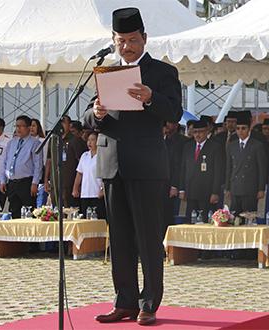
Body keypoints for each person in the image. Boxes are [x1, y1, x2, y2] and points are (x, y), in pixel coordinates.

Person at [84, 7, 182, 326]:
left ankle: (149, 302)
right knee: (121, 239)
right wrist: (96, 113)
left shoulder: (163, 73)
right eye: (121, 41)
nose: (126, 46)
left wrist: (152, 98)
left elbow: (175, 114)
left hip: (147, 167)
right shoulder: (106, 71)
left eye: (132, 40)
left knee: (147, 238)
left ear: (144, 39)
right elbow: (86, 118)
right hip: (112, 166)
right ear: (113, 41)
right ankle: (124, 301)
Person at [179, 120, 223, 223]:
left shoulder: (215, 147)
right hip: (191, 191)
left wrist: (215, 192)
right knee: (190, 220)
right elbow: (183, 169)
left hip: (207, 192)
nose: (198, 134)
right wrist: (182, 189)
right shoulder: (188, 147)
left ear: (207, 131)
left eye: (201, 131)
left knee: (205, 221)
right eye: (195, 132)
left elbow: (218, 171)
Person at [0, 115, 43, 219]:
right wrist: (3, 180)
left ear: (28, 127)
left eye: (21, 126)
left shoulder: (35, 143)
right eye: (16, 126)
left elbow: (38, 165)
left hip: (26, 182)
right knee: (14, 211)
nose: (18, 128)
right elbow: (5, 162)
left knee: (28, 211)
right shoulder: (11, 143)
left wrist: (35, 183)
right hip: (12, 182)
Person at [225, 111, 267, 216]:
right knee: (234, 218)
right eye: (238, 128)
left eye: (243, 128)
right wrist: (227, 187)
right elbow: (229, 168)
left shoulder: (257, 145)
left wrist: (261, 188)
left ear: (249, 129)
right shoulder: (232, 145)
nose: (240, 131)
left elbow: (262, 169)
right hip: (235, 187)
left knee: (249, 217)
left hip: (250, 187)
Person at [44, 115, 86, 208]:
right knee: (55, 209)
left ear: (69, 125)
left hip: (69, 183)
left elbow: (81, 163)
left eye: (63, 122)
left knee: (69, 210)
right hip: (55, 183)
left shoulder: (75, 140)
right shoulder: (53, 140)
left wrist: (79, 184)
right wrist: (46, 180)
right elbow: (49, 160)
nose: (61, 124)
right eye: (59, 122)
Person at [72, 132, 106, 219]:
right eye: (88, 140)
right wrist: (75, 188)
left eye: (92, 140)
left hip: (96, 193)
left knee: (97, 218)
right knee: (86, 217)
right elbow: (79, 173)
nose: (89, 142)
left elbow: (105, 174)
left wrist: (102, 189)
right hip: (85, 193)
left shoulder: (102, 155)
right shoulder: (84, 155)